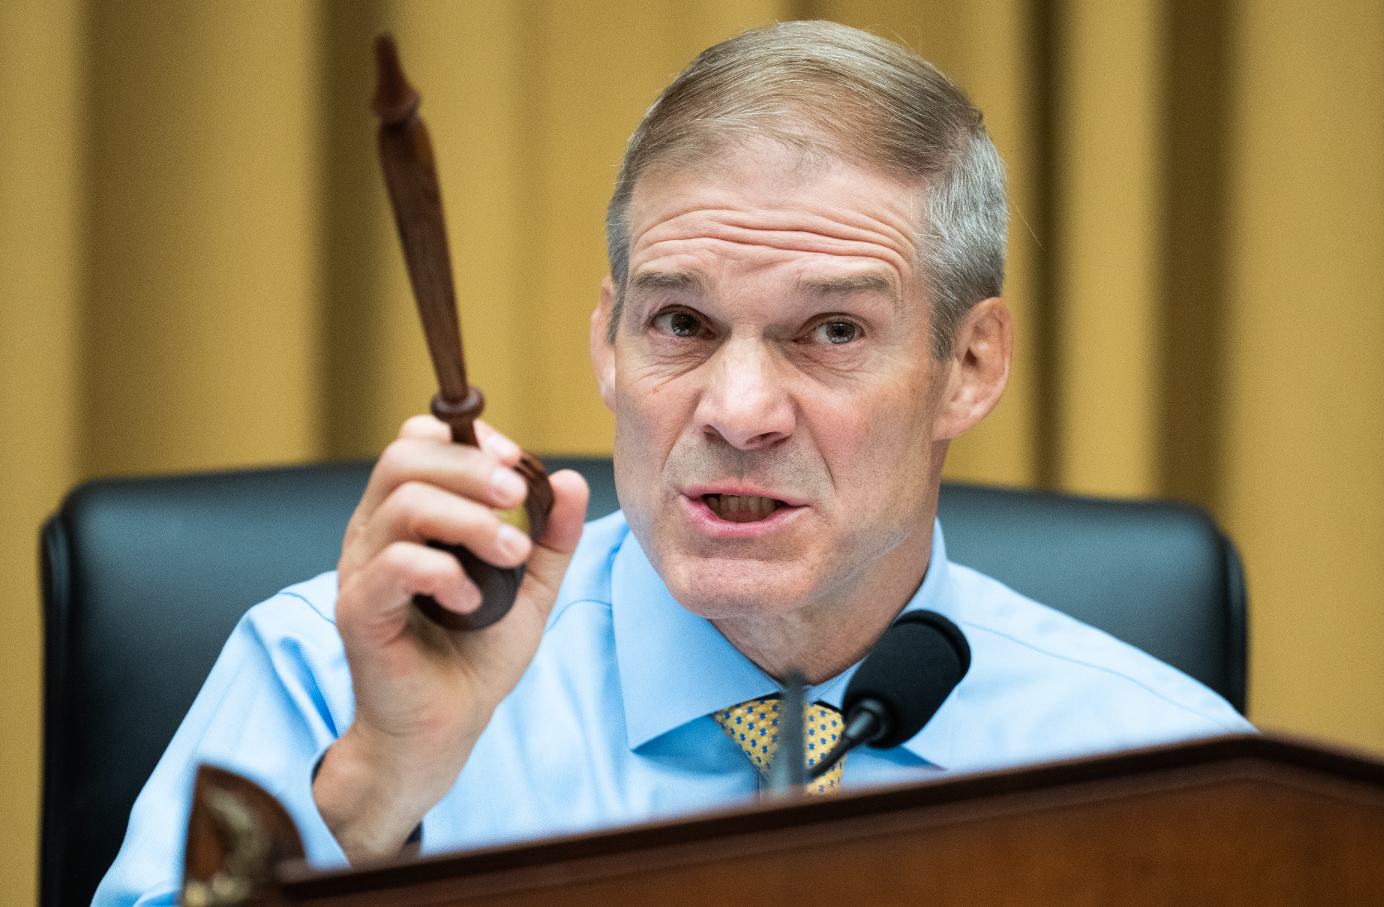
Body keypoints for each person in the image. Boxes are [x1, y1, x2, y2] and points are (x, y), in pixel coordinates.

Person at [96, 20, 1248, 903]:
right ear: (609, 340)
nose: (739, 410)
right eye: (682, 325)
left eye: (833, 331)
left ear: (971, 363)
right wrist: (372, 794)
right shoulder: (321, 679)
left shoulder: (1179, 777)